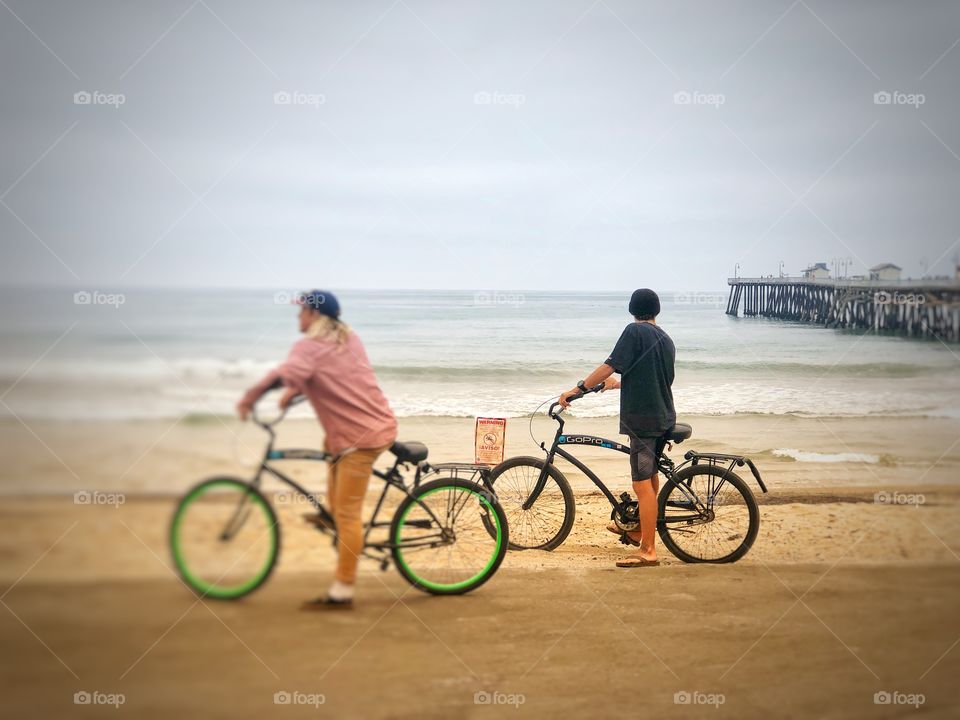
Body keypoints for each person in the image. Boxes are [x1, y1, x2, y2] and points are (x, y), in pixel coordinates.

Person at [237, 290, 397, 609]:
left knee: (349, 515)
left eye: (302, 311)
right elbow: (327, 373)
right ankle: (332, 516)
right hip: (367, 428)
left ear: (314, 314)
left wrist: (249, 399)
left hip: (359, 439)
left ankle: (342, 592)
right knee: (330, 454)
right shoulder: (348, 339)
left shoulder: (308, 347)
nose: (298, 316)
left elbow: (283, 374)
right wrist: (296, 389)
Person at [558, 288, 675, 568]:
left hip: (643, 420)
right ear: (656, 310)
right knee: (650, 479)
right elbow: (658, 379)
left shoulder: (635, 331)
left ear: (632, 310)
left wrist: (577, 389)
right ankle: (638, 530)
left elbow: (609, 365)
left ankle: (648, 550)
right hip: (662, 415)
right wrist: (619, 385)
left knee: (641, 484)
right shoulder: (666, 339)